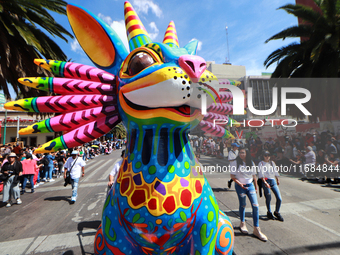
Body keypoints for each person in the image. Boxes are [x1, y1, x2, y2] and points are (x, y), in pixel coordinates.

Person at [230, 147, 268, 241]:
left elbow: (254, 176)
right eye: (240, 153)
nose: (241, 154)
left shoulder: (251, 163)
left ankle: (256, 229)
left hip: (250, 185)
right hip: (240, 186)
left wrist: (256, 187)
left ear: (247, 153)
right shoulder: (235, 162)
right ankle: (242, 223)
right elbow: (232, 176)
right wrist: (240, 184)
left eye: (243, 153)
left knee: (255, 206)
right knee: (243, 204)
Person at [258, 151, 284, 221]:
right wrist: (265, 182)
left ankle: (277, 212)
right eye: (265, 155)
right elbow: (261, 174)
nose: (267, 157)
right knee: (268, 197)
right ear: (263, 156)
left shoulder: (272, 163)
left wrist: (277, 179)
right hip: (266, 181)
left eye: (268, 155)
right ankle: (269, 212)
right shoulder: (261, 163)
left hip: (273, 181)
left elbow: (275, 172)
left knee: (279, 198)